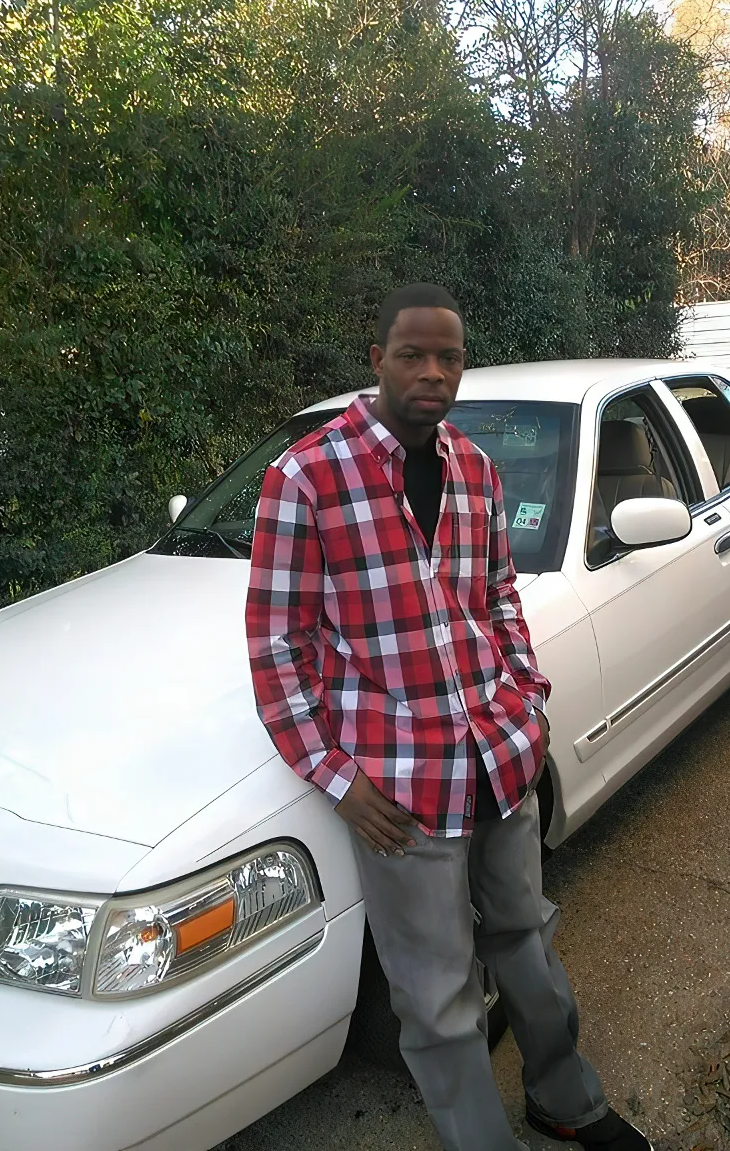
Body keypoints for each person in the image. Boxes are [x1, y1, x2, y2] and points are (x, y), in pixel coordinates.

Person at [245, 283, 651, 1151]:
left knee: (528, 944)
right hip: (399, 791)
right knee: (435, 996)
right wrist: (340, 781)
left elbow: (500, 597)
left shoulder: (474, 468)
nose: (433, 372)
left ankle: (563, 1099)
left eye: (450, 357)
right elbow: (279, 651)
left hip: (498, 762)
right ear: (377, 360)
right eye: (413, 355)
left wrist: (528, 707)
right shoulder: (305, 479)